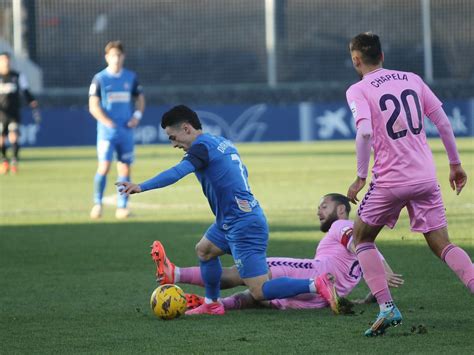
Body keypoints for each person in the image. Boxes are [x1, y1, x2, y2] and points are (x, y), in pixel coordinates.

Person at [117, 105, 339, 316]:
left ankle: (316, 284)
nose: (173, 144)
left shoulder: (201, 148)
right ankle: (212, 304)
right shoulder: (221, 142)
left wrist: (141, 186)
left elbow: (177, 172)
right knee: (204, 250)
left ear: (186, 128)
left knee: (259, 290)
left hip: (244, 223)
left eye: (172, 137)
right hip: (231, 219)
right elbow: (242, 171)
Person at [345, 32, 473, 337]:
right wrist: (455, 164)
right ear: (383, 56)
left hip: (390, 180)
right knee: (442, 244)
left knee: (361, 238)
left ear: (356, 60)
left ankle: (387, 307)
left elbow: (364, 134)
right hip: (426, 177)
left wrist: (361, 176)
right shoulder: (412, 79)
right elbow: (442, 122)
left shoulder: (358, 89)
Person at [150, 193, 403, 312]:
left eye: (324, 206)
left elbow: (357, 246)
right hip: (318, 301)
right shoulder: (371, 251)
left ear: (340, 210)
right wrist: (375, 291)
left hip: (315, 274)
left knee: (245, 273)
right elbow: (369, 253)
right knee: (256, 297)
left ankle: (176, 274)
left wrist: (384, 272)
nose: (319, 211)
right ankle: (216, 304)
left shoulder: (343, 225)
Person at [88, 41, 145, 219]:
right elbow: (93, 105)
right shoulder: (100, 79)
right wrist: (107, 121)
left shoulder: (131, 77)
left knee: (125, 169)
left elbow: (140, 99)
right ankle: (97, 203)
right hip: (107, 133)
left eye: (119, 55)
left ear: (123, 57)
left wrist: (136, 117)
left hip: (126, 132)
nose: (116, 58)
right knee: (104, 167)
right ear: (107, 57)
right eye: (112, 55)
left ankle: (122, 207)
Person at [0, 52, 39, 174]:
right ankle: (4, 160)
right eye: (3, 60)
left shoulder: (17, 76)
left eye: (7, 60)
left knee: (13, 137)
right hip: (1, 114)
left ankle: (14, 161)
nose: (5, 62)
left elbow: (25, 90)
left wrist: (31, 100)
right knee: (1, 139)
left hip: (14, 113)